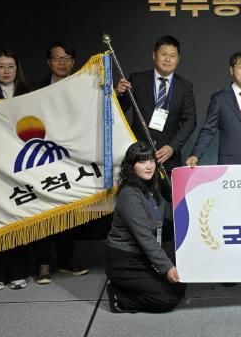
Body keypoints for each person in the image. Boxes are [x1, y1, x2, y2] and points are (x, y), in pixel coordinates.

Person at [30, 42, 89, 284]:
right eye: (57, 58)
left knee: (70, 212)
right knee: (43, 212)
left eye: (66, 58)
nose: (62, 63)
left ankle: (66, 260)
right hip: (43, 159)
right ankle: (43, 263)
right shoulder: (34, 90)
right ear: (49, 62)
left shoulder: (84, 88)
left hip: (72, 159)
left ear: (73, 62)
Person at [105, 142, 186, 313]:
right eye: (142, 162)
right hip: (125, 260)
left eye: (151, 161)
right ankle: (120, 297)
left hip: (144, 257)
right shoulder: (129, 194)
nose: (148, 166)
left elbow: (169, 214)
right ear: (131, 166)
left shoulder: (150, 189)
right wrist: (167, 267)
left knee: (180, 286)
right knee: (167, 300)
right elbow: (144, 237)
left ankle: (134, 288)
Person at [0, 49, 32, 290]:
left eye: (10, 66)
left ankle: (18, 272)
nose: (6, 71)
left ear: (17, 69)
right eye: (1, 66)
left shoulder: (30, 94)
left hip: (21, 164)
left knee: (19, 217)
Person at [116, 35, 196, 182]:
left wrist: (172, 147)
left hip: (168, 158)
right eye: (163, 54)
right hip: (139, 157)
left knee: (167, 196)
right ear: (154, 55)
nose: (167, 59)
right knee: (136, 194)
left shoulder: (185, 87)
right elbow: (119, 112)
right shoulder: (137, 80)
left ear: (178, 59)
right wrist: (119, 94)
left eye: (172, 56)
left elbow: (190, 121)